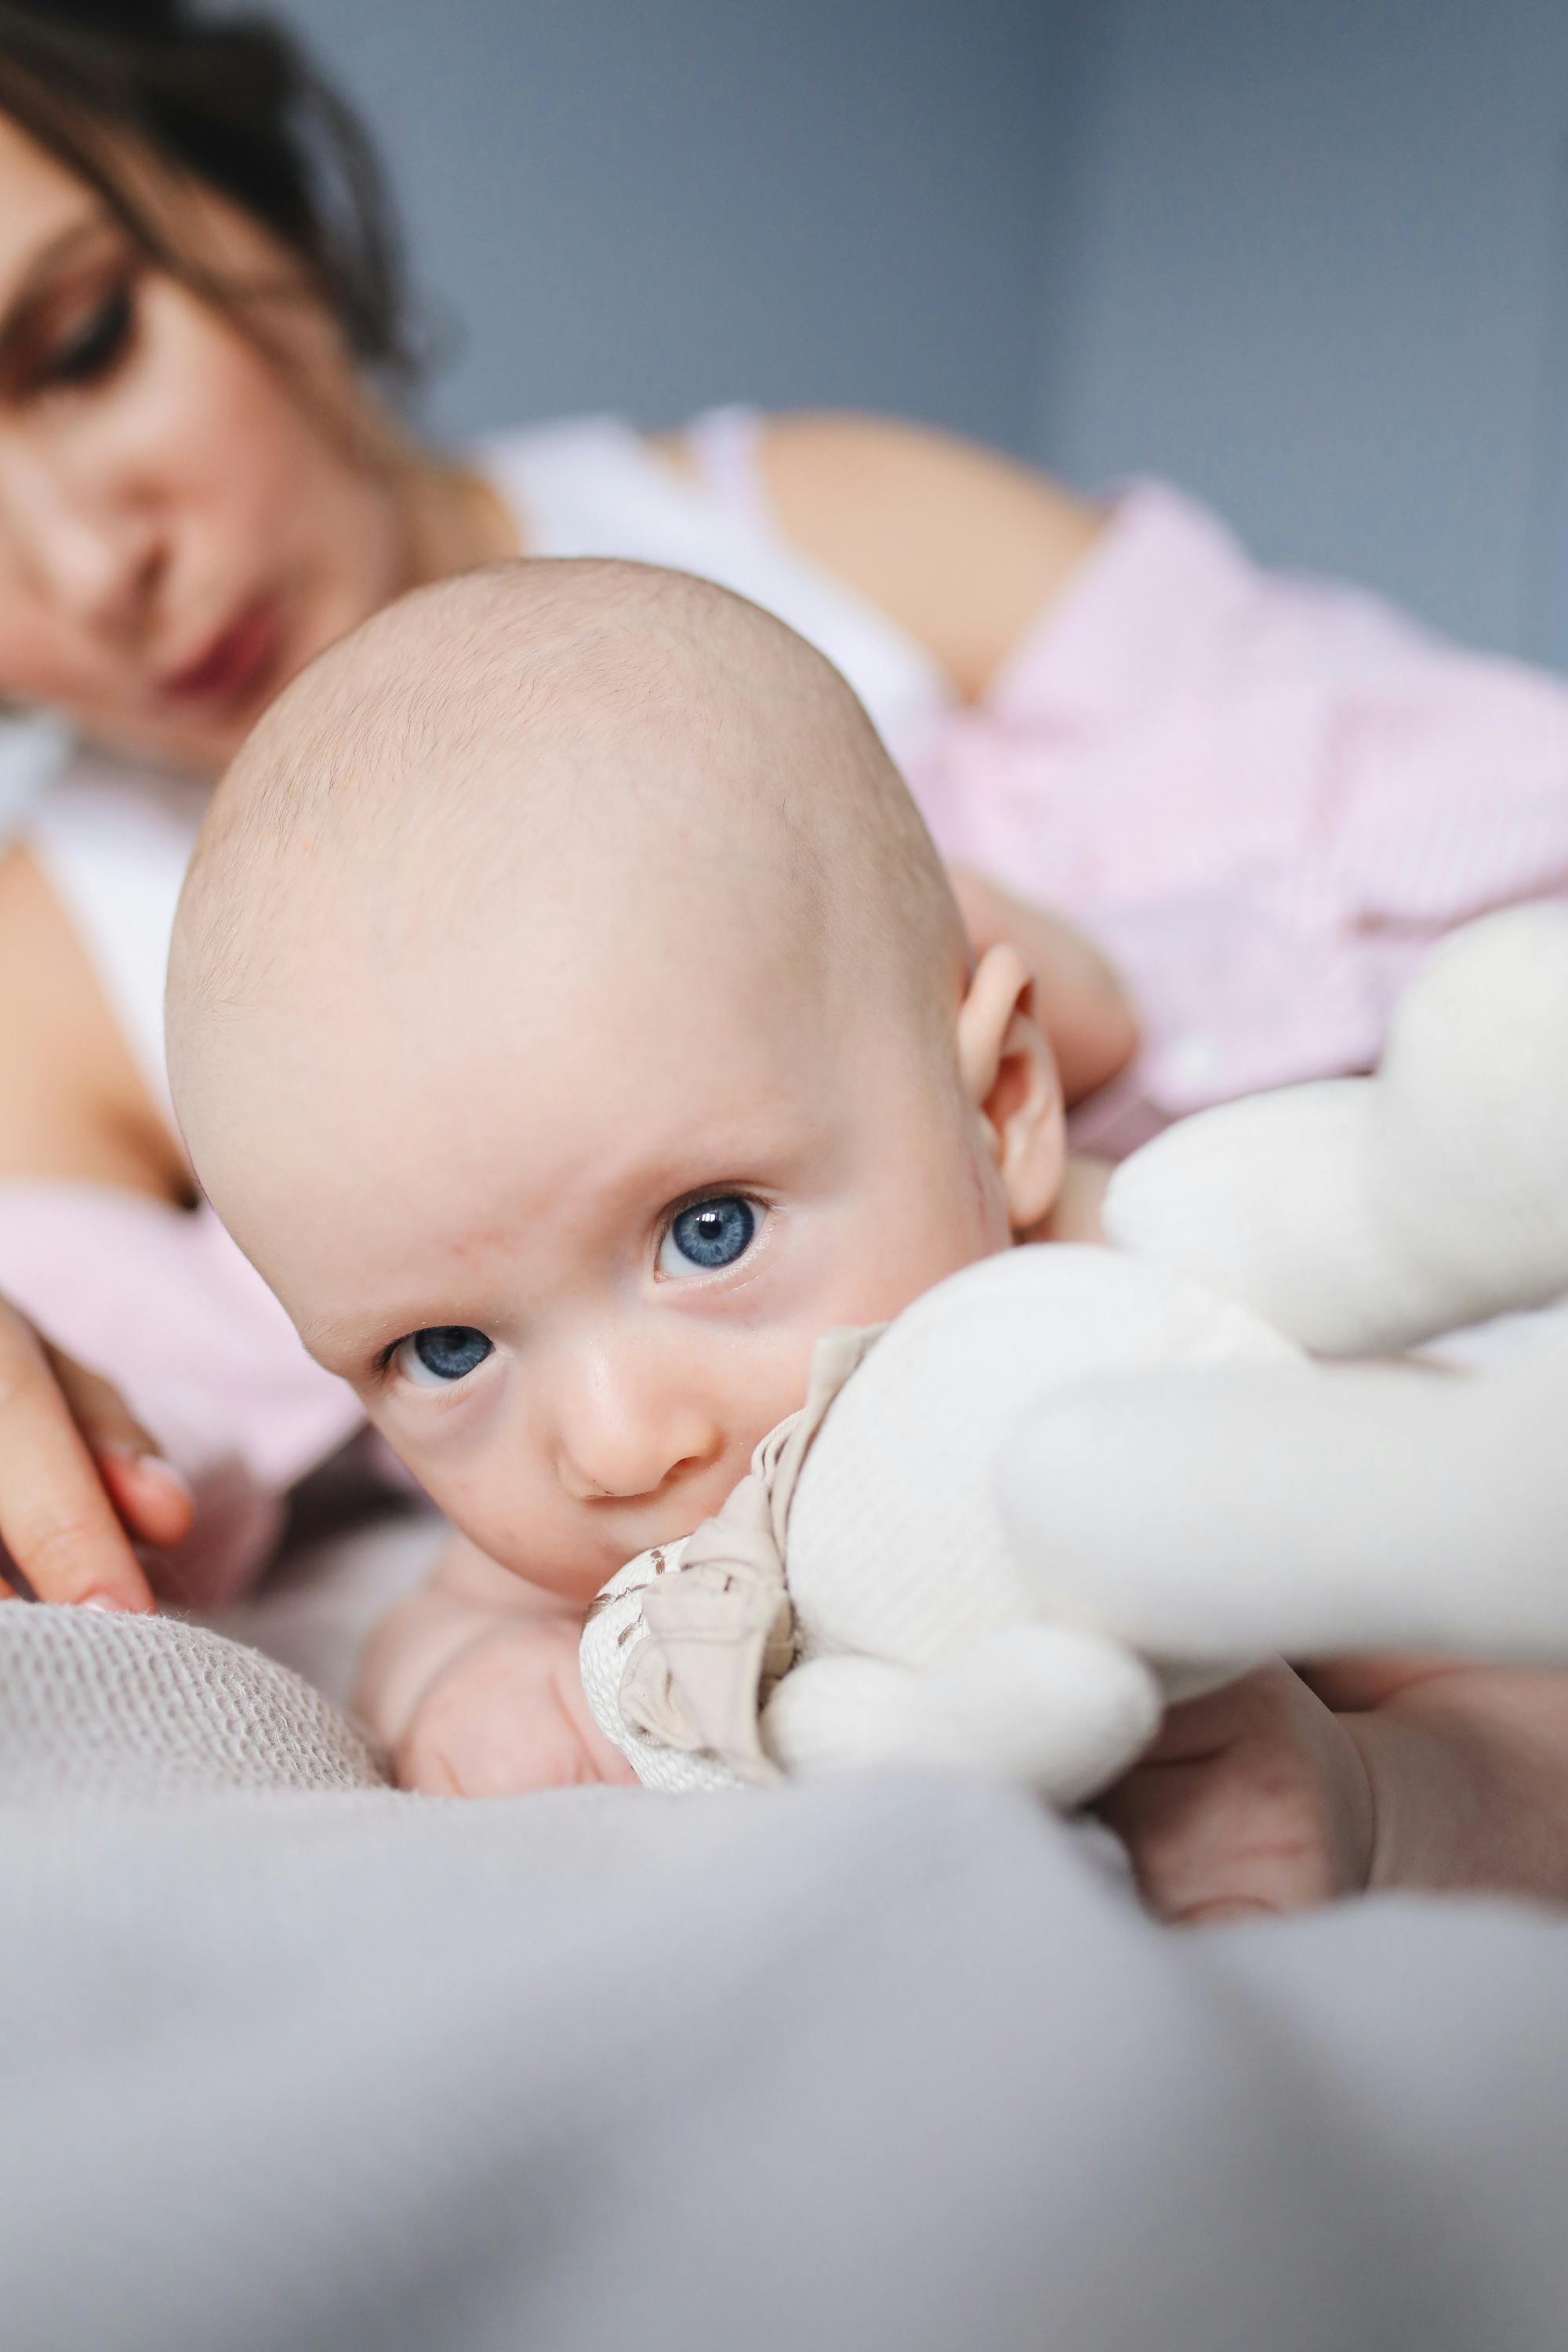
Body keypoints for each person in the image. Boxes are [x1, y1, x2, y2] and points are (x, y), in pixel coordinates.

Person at [3, 0, 1568, 1620]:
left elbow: (1509, 824)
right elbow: (130, 1470)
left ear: (244, 197)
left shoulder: (829, 530)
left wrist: (1134, 985)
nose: (86, 566)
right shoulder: (46, 976)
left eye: (86, 347)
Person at [165, 561, 1568, 1922]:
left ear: (1002, 1104)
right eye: (444, 1347)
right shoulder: (589, 1536)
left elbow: (1521, 1687)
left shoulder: (1183, 1336)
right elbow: (435, 1616)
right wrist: (466, 1682)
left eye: (708, 1233)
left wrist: (1386, 1807)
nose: (615, 1445)